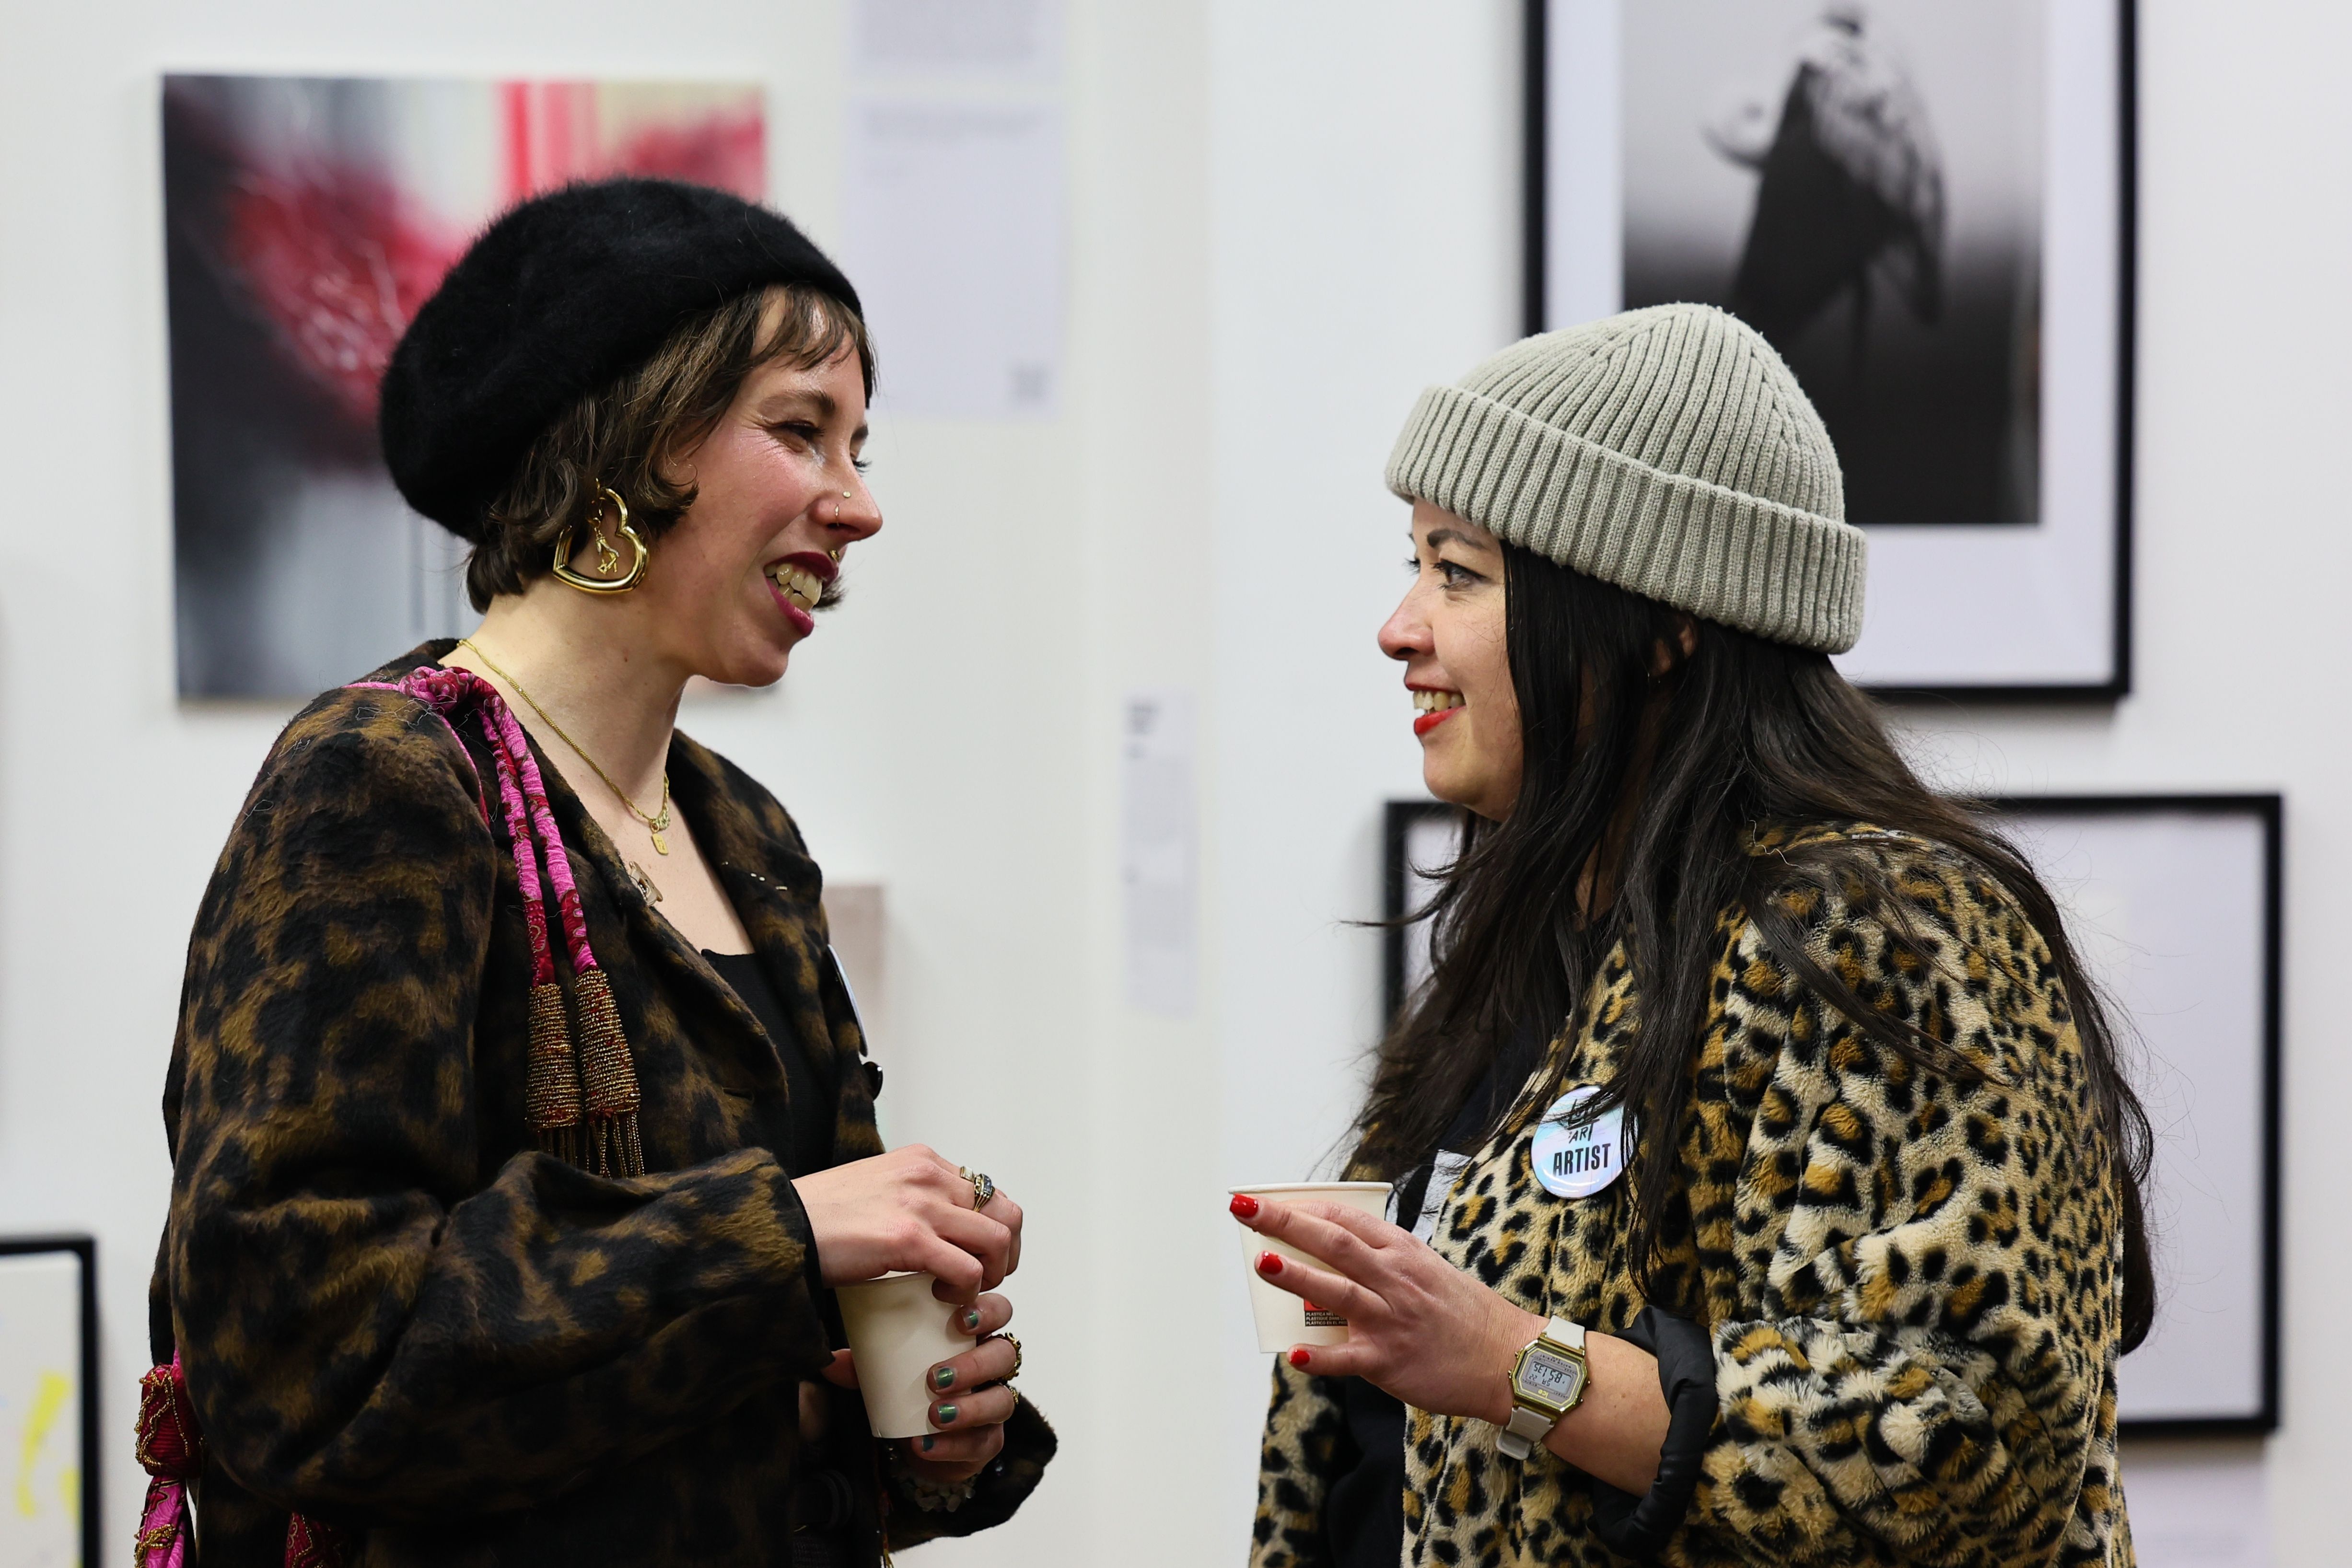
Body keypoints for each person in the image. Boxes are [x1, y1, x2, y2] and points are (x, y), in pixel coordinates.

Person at [140, 179, 1053, 1568]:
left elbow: (741, 1345)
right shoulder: (384, 782)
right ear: (624, 447)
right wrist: (785, 1237)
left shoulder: (742, 831)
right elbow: (303, 1355)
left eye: (858, 445)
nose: (857, 505)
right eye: (800, 431)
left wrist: (909, 1422)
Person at [1235, 303, 2146, 1568]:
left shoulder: (1876, 935)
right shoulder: (1549, 935)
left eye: (1458, 573)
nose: (1401, 628)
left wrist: (1511, 1363)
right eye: (1414, 564)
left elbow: (1965, 1445)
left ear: (1663, 625)